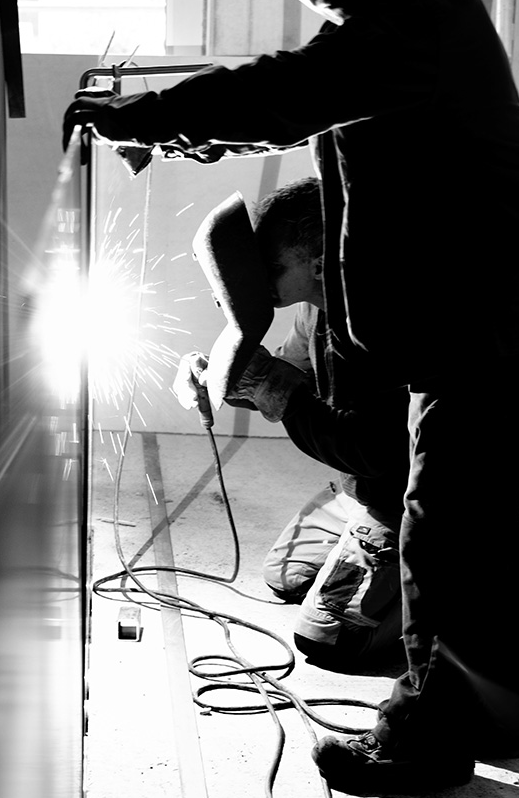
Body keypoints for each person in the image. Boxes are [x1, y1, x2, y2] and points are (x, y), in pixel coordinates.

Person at [64, 0, 519, 795]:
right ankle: (498, 716)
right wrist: (190, 134)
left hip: (493, 324)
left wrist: (155, 119)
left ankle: (427, 740)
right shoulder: (377, 28)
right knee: (477, 524)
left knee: (440, 533)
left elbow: (289, 91)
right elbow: (300, 107)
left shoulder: (419, 12)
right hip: (496, 314)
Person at [172, 178, 409, 670]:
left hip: (406, 496)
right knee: (288, 576)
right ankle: (369, 540)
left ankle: (460, 573)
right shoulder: (315, 308)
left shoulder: (382, 321)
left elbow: (371, 451)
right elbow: (291, 376)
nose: (259, 275)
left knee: (331, 638)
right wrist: (221, 378)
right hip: (363, 487)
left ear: (319, 262)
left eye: (273, 265)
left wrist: (270, 385)